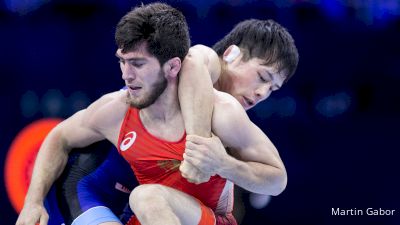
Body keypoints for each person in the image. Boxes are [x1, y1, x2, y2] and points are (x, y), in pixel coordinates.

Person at [16, 2, 298, 225]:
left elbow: (273, 183)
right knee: (146, 197)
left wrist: (224, 164)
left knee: (147, 197)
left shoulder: (225, 111)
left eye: (273, 88)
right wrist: (33, 202)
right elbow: (198, 59)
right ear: (232, 55)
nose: (263, 93)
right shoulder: (198, 64)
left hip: (152, 204)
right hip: (104, 190)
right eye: (262, 77)